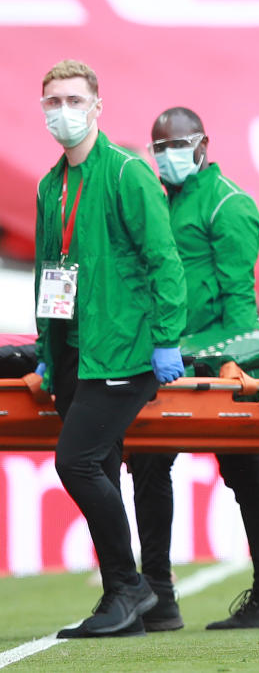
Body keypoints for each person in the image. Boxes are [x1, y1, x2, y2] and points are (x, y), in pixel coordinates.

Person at [127, 107, 259, 632]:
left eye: (176, 144)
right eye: (159, 146)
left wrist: (207, 358)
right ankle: (157, 595)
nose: (167, 155)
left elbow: (241, 312)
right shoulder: (157, 200)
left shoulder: (230, 205)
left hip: (214, 366)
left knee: (244, 472)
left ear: (203, 144)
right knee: (150, 469)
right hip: (164, 362)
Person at [32, 59, 187, 638]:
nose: (63, 112)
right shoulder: (53, 183)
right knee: (98, 465)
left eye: (74, 100)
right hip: (75, 348)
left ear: (97, 106)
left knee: (75, 462)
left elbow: (164, 261)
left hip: (123, 349)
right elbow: (51, 270)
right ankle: (122, 603)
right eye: (53, 102)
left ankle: (132, 586)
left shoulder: (126, 173)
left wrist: (167, 336)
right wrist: (49, 347)